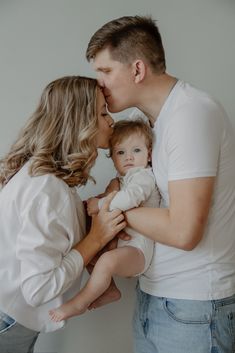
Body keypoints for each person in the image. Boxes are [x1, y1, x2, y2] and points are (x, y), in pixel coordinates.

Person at [86, 15, 235, 353]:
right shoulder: (146, 124)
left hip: (194, 310)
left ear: (137, 70)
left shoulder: (191, 115)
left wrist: (110, 206)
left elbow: (183, 232)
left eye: (105, 71)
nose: (99, 83)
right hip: (156, 297)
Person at [0, 75, 126, 353]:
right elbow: (38, 290)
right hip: (9, 321)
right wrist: (95, 238)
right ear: (80, 123)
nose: (111, 121)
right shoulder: (46, 189)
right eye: (103, 113)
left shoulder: (47, 181)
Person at [49, 118, 160, 322]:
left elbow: (129, 198)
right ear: (112, 158)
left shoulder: (143, 176)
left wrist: (99, 205)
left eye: (136, 150)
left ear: (149, 154)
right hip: (124, 245)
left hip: (138, 249)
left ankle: (80, 302)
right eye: (120, 152)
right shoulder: (123, 179)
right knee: (89, 253)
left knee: (107, 261)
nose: (129, 157)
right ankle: (109, 290)